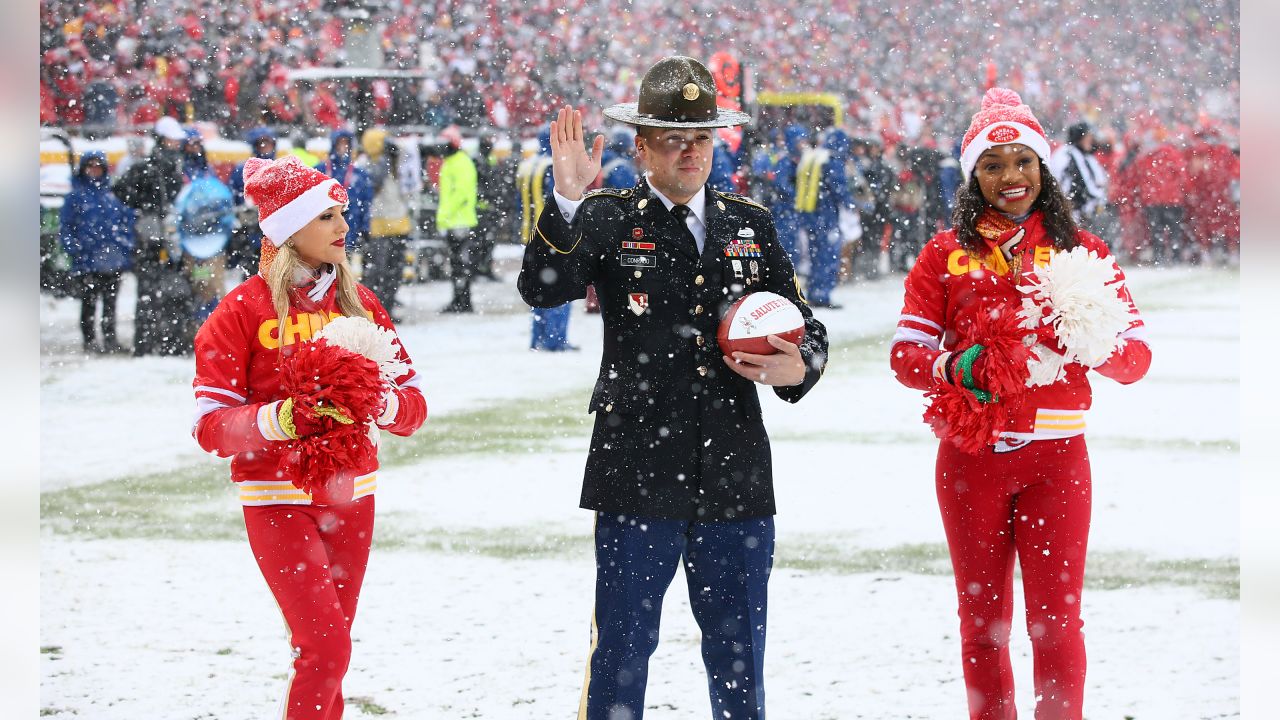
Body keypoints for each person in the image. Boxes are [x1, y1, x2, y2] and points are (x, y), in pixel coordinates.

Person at [518, 57, 829, 720]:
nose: (691, 151)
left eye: (702, 138)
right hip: (636, 470)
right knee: (622, 654)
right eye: (673, 138)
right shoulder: (605, 218)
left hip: (735, 473)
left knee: (739, 658)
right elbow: (543, 288)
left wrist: (798, 365)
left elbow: (805, 327)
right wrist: (567, 200)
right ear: (642, 147)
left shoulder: (750, 223)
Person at [889, 88, 1152, 720]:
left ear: (1044, 167)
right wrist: (957, 365)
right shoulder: (942, 254)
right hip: (970, 459)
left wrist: (1091, 340)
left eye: (1023, 161)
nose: (1011, 177)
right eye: (994, 164)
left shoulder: (1081, 249)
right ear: (973, 175)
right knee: (983, 626)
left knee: (1055, 624)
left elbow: (1136, 359)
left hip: (1057, 461)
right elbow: (905, 357)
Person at [192, 155, 426, 720]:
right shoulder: (241, 310)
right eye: (326, 216)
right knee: (325, 648)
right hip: (277, 500)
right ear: (288, 229)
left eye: (342, 213)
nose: (344, 226)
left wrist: (380, 401)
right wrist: (283, 419)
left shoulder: (361, 302)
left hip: (354, 496)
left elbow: (414, 408)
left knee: (331, 651)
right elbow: (210, 427)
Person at [113, 115, 189, 356]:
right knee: (149, 293)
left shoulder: (172, 166)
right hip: (151, 239)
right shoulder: (148, 167)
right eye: (171, 140)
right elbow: (120, 190)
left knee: (169, 292)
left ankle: (164, 342)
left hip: (169, 237)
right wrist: (145, 209)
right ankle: (149, 343)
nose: (176, 145)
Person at [59, 151, 136, 354]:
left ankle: (110, 340)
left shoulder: (113, 196)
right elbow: (66, 227)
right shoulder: (75, 197)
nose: (94, 170)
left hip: (113, 260)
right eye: (90, 166)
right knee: (89, 304)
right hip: (88, 261)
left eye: (98, 166)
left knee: (110, 305)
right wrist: (75, 249)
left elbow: (126, 223)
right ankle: (90, 341)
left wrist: (125, 246)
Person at [517, 127, 574, 349]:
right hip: (552, 236)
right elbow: (561, 202)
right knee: (560, 288)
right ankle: (555, 340)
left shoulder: (527, 165)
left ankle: (537, 337)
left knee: (537, 289)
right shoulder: (553, 166)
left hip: (529, 233)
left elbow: (518, 203)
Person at [175, 129, 235, 324]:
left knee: (215, 286)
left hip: (213, 239)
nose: (194, 149)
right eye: (190, 145)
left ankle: (218, 326)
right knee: (196, 286)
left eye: (197, 144)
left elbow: (220, 199)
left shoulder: (208, 171)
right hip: (189, 241)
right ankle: (196, 327)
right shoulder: (178, 171)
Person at [363, 127, 412, 317]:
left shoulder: (395, 164)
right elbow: (374, 183)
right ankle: (377, 311)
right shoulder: (372, 165)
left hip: (398, 225)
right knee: (379, 273)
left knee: (393, 272)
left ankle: (387, 309)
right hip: (380, 227)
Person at [436, 125, 480, 312]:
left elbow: (460, 194)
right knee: (457, 264)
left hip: (459, 221)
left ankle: (462, 301)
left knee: (460, 264)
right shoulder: (454, 161)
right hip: (455, 220)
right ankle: (460, 300)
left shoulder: (460, 163)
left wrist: (444, 215)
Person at [227, 126, 278, 276]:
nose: (265, 147)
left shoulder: (279, 169)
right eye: (261, 143)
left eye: (268, 143)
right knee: (251, 279)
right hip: (249, 233)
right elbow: (234, 199)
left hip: (273, 234)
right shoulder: (240, 171)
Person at [316, 129, 374, 252]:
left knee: (347, 266)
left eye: (346, 144)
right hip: (324, 229)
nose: (343, 147)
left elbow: (366, 203)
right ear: (333, 145)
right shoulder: (320, 170)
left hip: (351, 228)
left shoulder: (359, 174)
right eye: (339, 143)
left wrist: (365, 228)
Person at [1049, 121, 1108, 228]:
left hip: (1084, 214)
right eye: (1088, 136)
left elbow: (1099, 182)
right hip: (1071, 214)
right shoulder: (1066, 154)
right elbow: (1060, 183)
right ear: (1079, 137)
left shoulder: (1085, 155)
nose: (1091, 139)